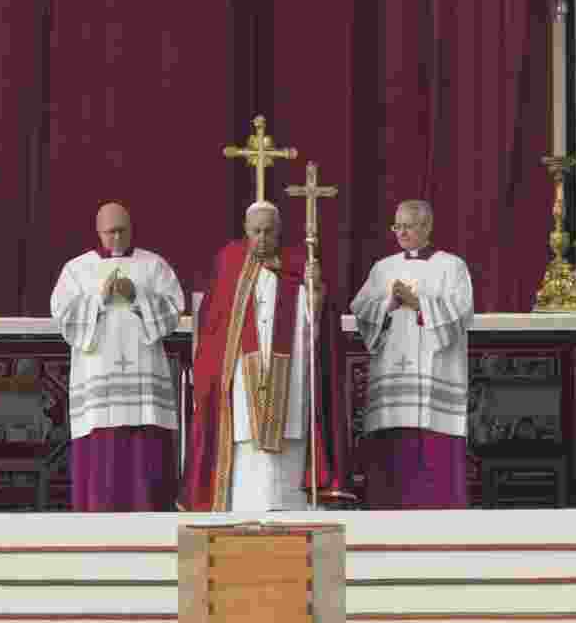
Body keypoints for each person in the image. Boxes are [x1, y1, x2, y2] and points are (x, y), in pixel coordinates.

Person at [179, 200, 350, 512]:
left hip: (291, 371)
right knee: (247, 447)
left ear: (279, 231)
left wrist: (314, 293)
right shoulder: (230, 262)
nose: (262, 237)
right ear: (246, 231)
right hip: (244, 377)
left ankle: (295, 509)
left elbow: (317, 326)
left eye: (269, 231)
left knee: (289, 442)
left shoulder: (298, 262)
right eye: (256, 231)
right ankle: (243, 510)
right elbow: (214, 322)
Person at [50, 202, 185, 511]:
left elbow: (173, 311)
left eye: (122, 230)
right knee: (103, 458)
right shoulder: (77, 268)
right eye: (110, 232)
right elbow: (64, 317)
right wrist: (100, 297)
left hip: (144, 379)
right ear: (98, 232)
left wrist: (137, 295)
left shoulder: (153, 265)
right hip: (98, 378)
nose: (116, 238)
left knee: (145, 453)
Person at [350, 199, 474, 509]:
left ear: (427, 227)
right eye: (397, 226)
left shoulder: (452, 266)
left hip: (437, 373)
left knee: (436, 442)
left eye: (408, 226)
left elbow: (461, 313)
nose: (401, 233)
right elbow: (361, 311)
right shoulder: (383, 268)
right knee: (392, 441)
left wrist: (419, 303)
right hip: (393, 367)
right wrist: (389, 304)